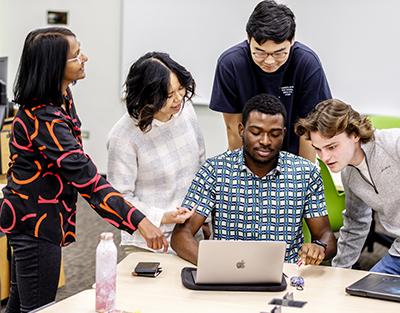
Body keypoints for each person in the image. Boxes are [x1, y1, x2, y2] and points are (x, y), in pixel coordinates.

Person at [0, 27, 167, 313]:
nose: (84, 58)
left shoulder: (61, 97)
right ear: (54, 68)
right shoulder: (44, 119)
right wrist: (139, 220)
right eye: (76, 56)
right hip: (35, 227)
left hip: (37, 220)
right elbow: (87, 179)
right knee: (39, 309)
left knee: (20, 306)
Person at [171, 93, 336, 265]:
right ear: (242, 130)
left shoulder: (306, 173)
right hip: (226, 273)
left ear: (284, 134)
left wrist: (320, 247)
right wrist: (213, 266)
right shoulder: (214, 170)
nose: (265, 141)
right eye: (256, 132)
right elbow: (181, 235)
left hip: (285, 275)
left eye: (274, 134)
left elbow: (326, 236)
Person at [107, 52, 206, 255]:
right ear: (147, 95)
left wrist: (204, 217)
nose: (179, 98)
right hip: (149, 237)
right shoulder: (123, 136)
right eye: (169, 95)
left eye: (180, 88)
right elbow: (120, 197)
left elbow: (201, 163)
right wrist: (163, 216)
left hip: (189, 229)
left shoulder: (185, 110)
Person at [209, 0, 331, 161]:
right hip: (248, 154)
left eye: (279, 53)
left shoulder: (307, 63)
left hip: (293, 155)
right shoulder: (231, 64)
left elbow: (309, 130)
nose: (269, 61)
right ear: (248, 38)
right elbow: (234, 128)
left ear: (292, 40)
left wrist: (302, 176)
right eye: (259, 52)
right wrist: (243, 174)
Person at [295, 99, 400, 275]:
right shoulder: (349, 175)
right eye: (318, 149)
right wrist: (338, 274)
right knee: (366, 293)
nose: (325, 157)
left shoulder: (394, 144)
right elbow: (355, 224)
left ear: (354, 135)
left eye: (332, 147)